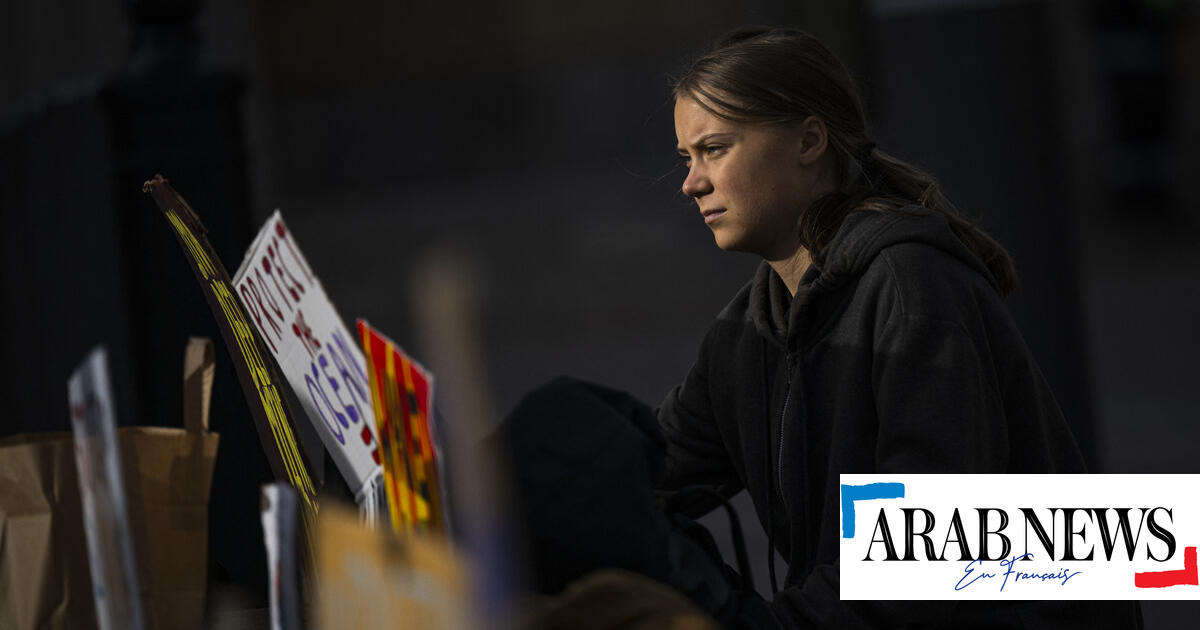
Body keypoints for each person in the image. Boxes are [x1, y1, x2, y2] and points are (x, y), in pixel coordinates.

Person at [656, 26, 1144, 628]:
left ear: (809, 139)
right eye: (687, 158)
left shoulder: (912, 286)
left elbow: (923, 568)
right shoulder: (748, 332)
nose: (691, 183)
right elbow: (650, 475)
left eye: (716, 149)